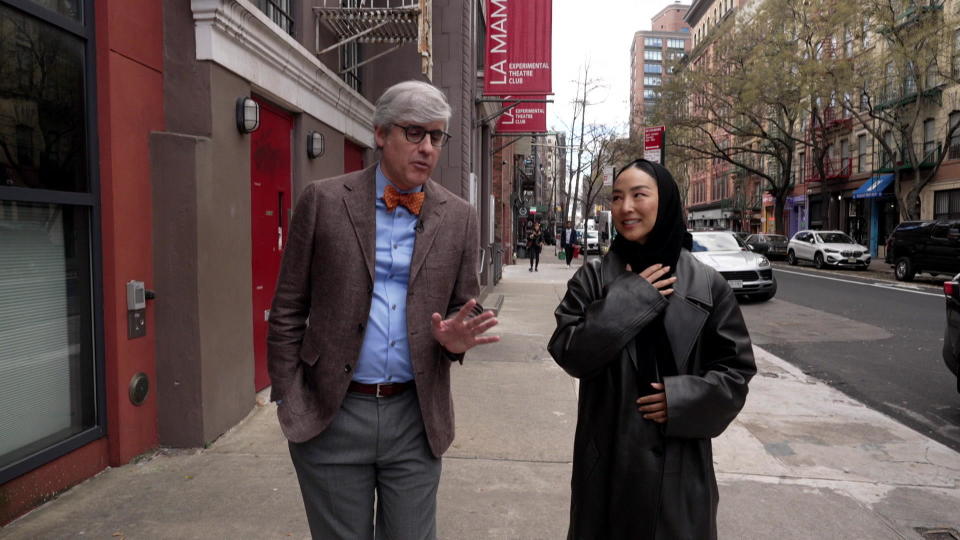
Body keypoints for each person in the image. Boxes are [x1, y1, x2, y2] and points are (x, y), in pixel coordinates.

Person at [267, 80, 500, 540]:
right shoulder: (325, 201)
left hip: (416, 416)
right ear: (380, 134)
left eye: (436, 136)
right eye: (414, 133)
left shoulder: (459, 216)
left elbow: (463, 304)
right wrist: (290, 396)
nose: (427, 147)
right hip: (332, 413)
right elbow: (289, 306)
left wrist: (456, 340)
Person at [547, 158, 756, 540]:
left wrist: (682, 399)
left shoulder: (707, 285)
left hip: (680, 475)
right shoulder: (593, 278)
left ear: (666, 201)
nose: (625, 207)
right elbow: (569, 350)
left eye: (639, 195)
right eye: (616, 197)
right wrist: (629, 299)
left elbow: (736, 372)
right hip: (606, 471)